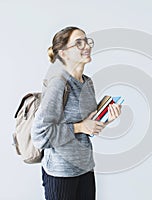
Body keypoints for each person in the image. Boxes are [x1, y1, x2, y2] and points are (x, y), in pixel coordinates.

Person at [31, 26, 122, 200]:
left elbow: (88, 128)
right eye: (78, 43)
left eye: (87, 41)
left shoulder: (87, 83)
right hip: (60, 173)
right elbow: (39, 135)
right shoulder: (58, 83)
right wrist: (79, 127)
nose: (86, 46)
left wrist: (107, 117)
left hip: (85, 168)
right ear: (64, 53)